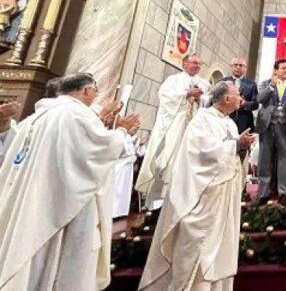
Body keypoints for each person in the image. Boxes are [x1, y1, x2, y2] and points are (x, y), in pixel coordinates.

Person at [0, 73, 140, 291]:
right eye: (95, 90)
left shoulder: (37, 116)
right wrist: (123, 130)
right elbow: (100, 149)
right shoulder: (76, 114)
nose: (95, 95)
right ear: (86, 91)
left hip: (34, 201)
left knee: (30, 259)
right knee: (56, 263)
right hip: (62, 206)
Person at [139, 82, 255, 291]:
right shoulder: (202, 120)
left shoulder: (229, 123)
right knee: (198, 247)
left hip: (222, 196)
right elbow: (200, 154)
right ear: (226, 98)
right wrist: (236, 145)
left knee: (218, 248)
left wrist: (241, 149)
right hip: (202, 196)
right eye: (238, 94)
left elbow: (231, 157)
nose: (241, 99)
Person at [136, 53, 210, 210]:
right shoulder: (173, 81)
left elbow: (208, 104)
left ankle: (183, 201)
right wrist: (186, 94)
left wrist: (200, 99)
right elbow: (164, 98)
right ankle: (157, 203)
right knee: (167, 160)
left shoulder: (204, 84)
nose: (197, 66)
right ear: (185, 63)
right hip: (174, 127)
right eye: (193, 63)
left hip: (192, 128)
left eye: (199, 64)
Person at [255, 59, 286, 206]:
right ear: (276, 70)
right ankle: (263, 193)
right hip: (267, 125)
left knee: (285, 161)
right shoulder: (265, 83)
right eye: (283, 68)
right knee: (265, 160)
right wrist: (271, 87)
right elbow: (260, 99)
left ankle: (284, 194)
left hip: (285, 126)